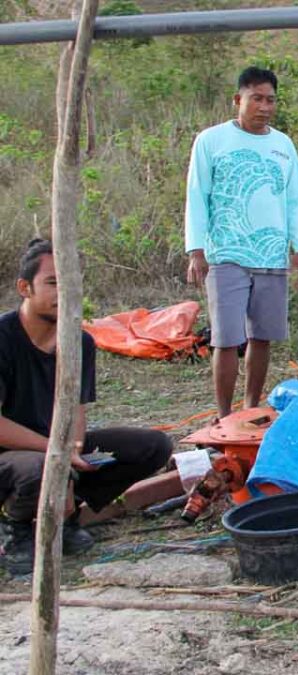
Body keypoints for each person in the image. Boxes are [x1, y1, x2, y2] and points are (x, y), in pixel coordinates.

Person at [0, 240, 172, 575]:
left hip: (50, 449)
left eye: (70, 282)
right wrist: (58, 455)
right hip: (14, 457)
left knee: (154, 446)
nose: (63, 292)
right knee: (38, 468)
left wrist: (74, 452)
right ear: (24, 287)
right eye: (52, 282)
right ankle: (15, 530)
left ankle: (67, 518)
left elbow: (76, 408)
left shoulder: (79, 342)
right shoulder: (3, 338)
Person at [185, 66, 298, 421]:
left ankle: (251, 407)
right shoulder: (211, 141)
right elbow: (198, 196)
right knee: (226, 338)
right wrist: (196, 250)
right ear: (237, 100)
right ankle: (225, 415)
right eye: (256, 98)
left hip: (271, 253)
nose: (264, 106)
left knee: (262, 335)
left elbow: (296, 200)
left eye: (270, 100)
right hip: (226, 254)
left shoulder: (282, 145)